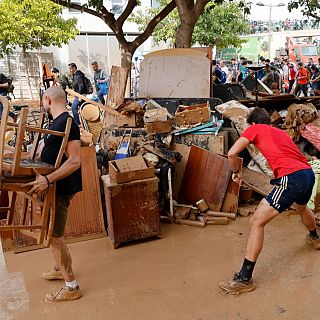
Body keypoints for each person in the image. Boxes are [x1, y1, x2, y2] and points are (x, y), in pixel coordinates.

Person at [218, 107, 318, 295]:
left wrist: (236, 171)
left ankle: (244, 278)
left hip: (291, 177)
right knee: (302, 208)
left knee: (256, 222)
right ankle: (315, 238)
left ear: (254, 123)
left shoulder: (254, 129)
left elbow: (232, 153)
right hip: (307, 173)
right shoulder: (280, 133)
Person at [25, 86, 82, 302]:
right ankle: (60, 268)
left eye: (42, 102)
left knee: (55, 237)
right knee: (53, 234)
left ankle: (72, 287)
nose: (42, 106)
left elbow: (75, 160)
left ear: (47, 99)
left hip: (59, 189)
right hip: (53, 188)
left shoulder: (68, 123)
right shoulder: (57, 123)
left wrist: (48, 179)